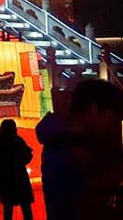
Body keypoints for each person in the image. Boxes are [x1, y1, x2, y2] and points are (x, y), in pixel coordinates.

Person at [36, 78, 123, 220]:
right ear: (94, 110)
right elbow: (87, 190)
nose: (111, 124)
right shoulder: (70, 145)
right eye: (111, 117)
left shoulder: (61, 137)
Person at [0, 119, 33, 220]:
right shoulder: (18, 140)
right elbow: (28, 154)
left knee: (8, 207)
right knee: (25, 207)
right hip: (19, 175)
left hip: (6, 175)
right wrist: (20, 162)